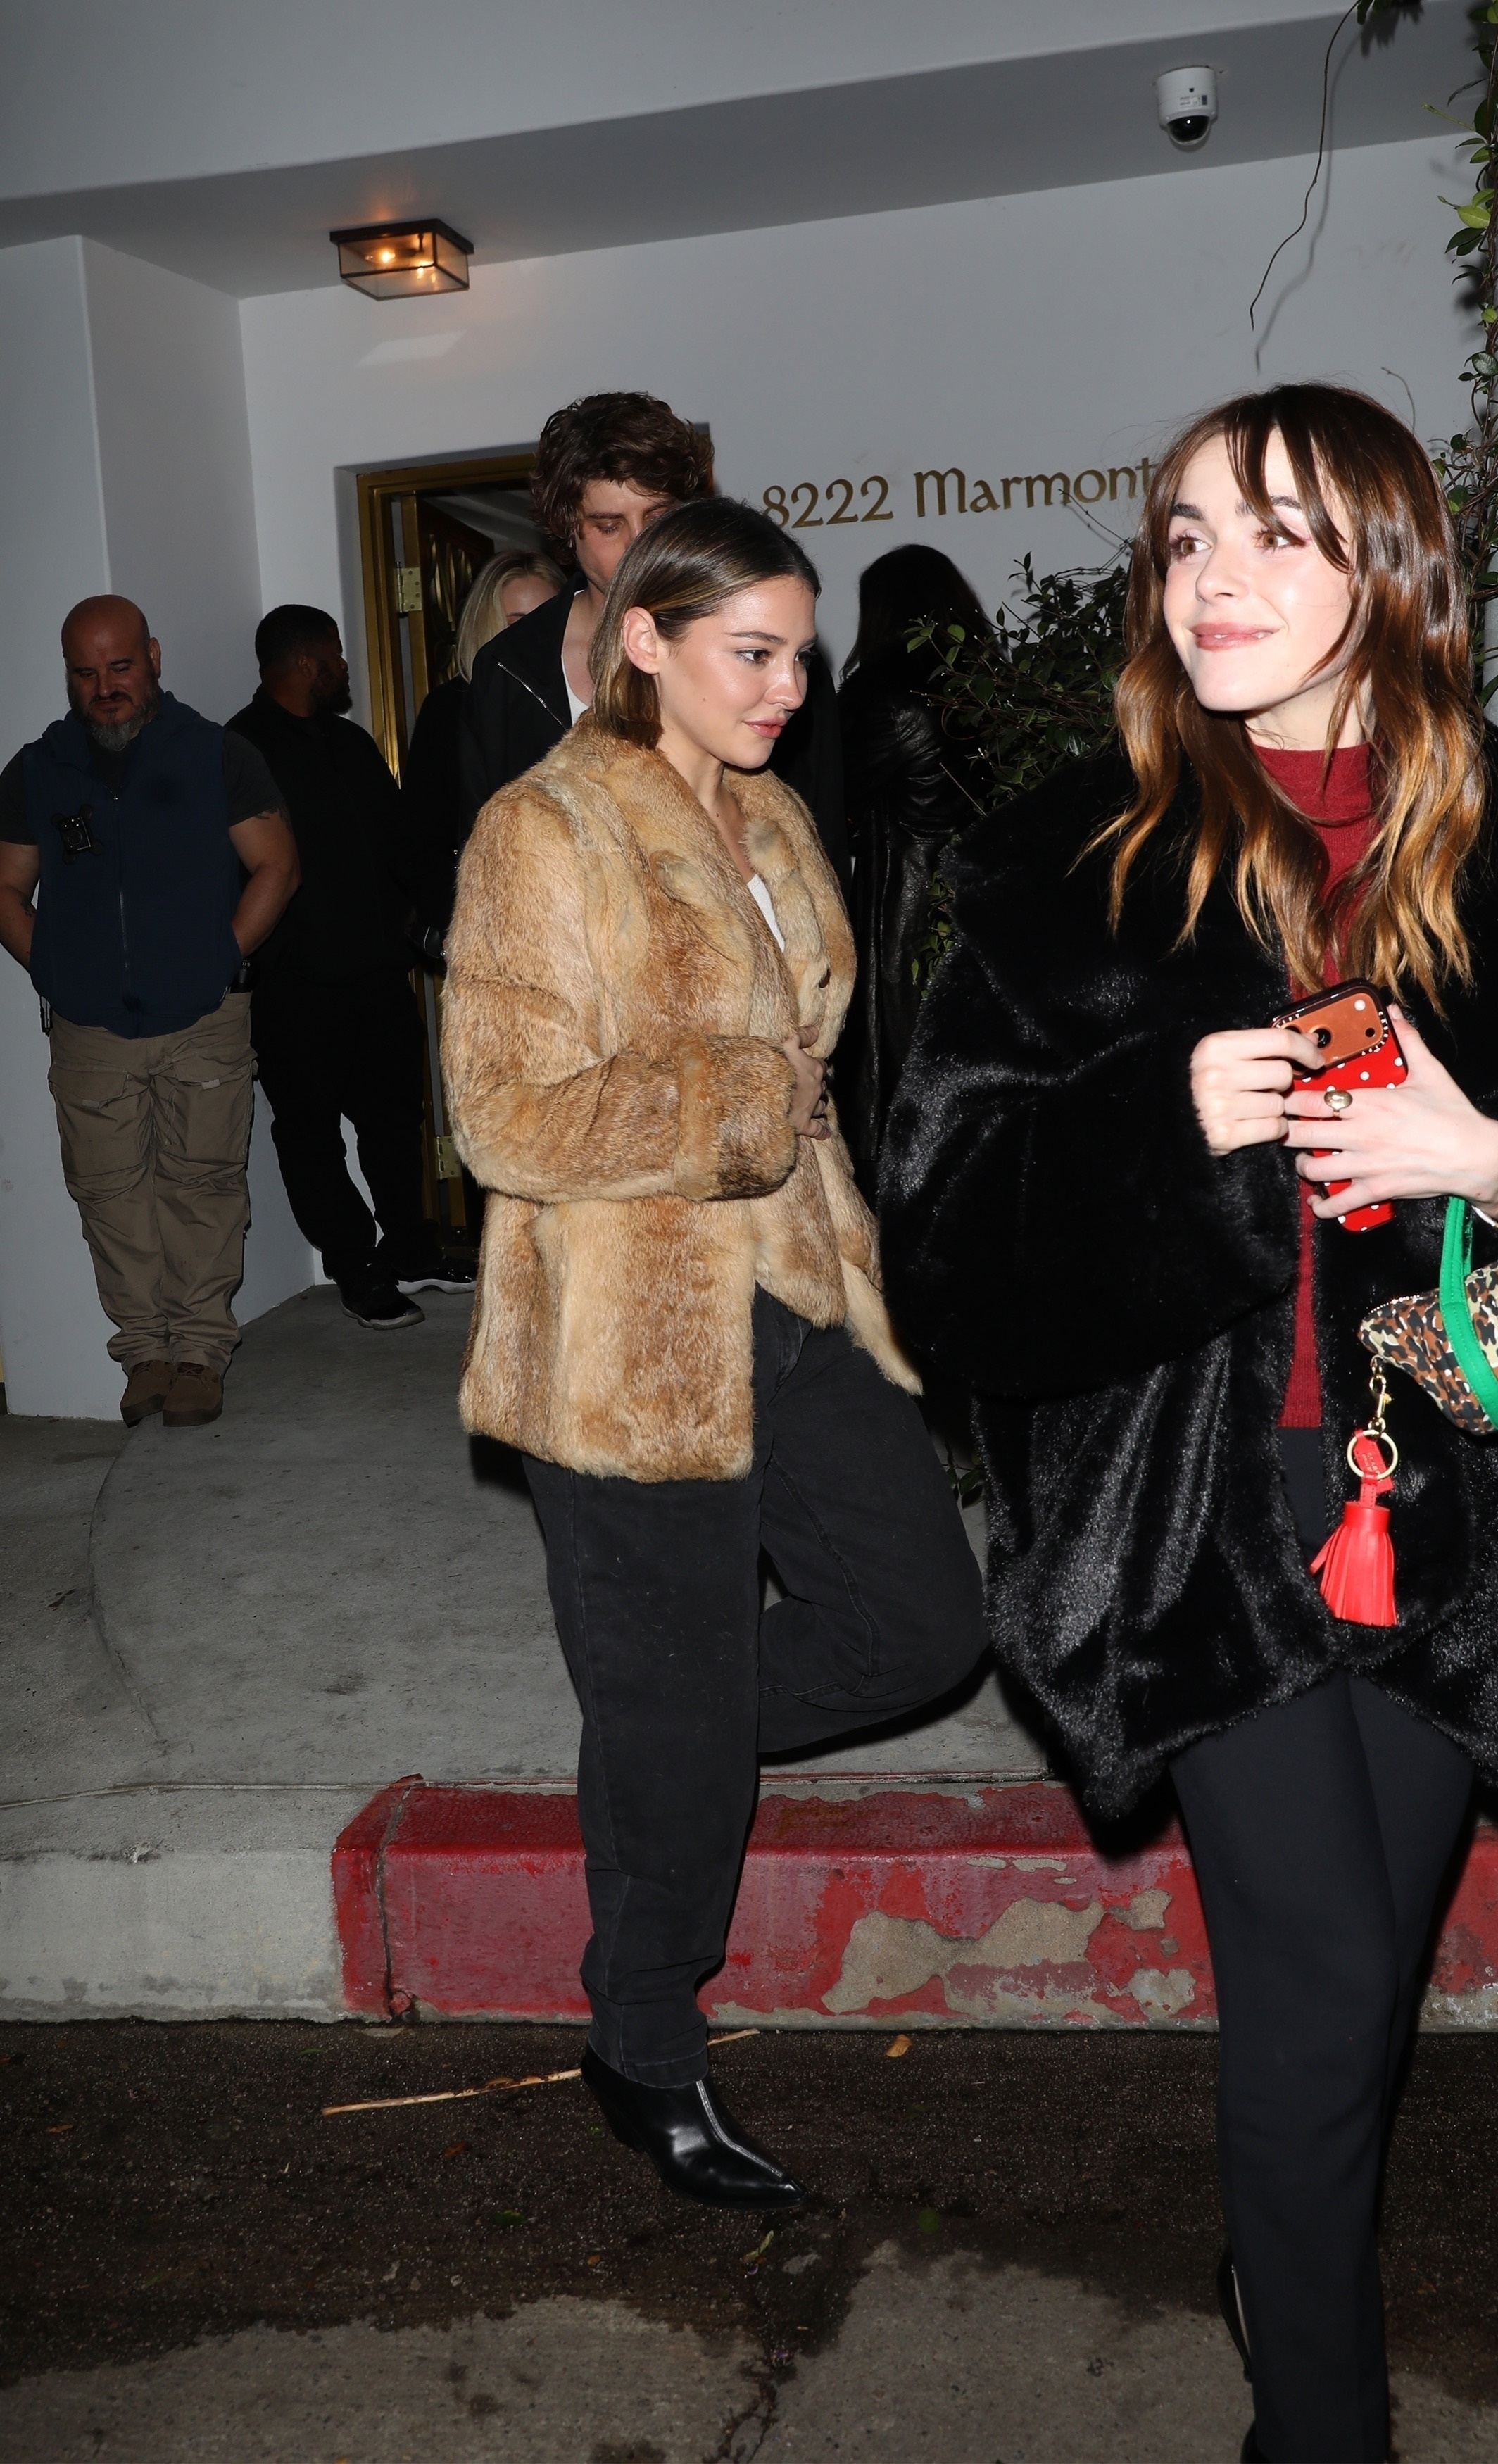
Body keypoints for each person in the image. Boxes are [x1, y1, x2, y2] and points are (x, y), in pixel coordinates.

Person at [878, 385, 1498, 2463]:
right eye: (1187, 535)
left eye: (1276, 533)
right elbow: (934, 1248)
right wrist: (1159, 1128)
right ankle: (1322, 2420)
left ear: (1389, 567)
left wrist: (1496, 1163)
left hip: (1460, 1503)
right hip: (1192, 1516)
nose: (1212, 577)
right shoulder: (1066, 869)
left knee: (1363, 1981)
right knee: (1314, 1983)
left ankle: (1276, 2259)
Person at [443, 499, 988, 2209]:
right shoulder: (543, 829)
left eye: (798, 654)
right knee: (671, 1719)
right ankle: (642, 2047)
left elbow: (821, 1067)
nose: (786, 686)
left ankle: (659, 1725)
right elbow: (500, 1115)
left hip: (796, 1290)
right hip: (625, 1340)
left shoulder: (773, 814)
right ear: (643, 642)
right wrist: (740, 1102)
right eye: (751, 652)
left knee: (922, 1623)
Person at [0, 596, 298, 1428]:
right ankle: (146, 1355)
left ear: (154, 657)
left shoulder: (217, 754)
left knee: (203, 1185)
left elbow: (277, 866)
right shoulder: (38, 770)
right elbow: (6, 888)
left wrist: (217, 958)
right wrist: (57, 969)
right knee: (110, 1194)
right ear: (69, 676)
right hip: (91, 1031)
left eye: (121, 665)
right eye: (86, 672)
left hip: (204, 1019)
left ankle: (199, 1352)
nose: (106, 686)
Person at [459, 391, 850, 881]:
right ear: (568, 529)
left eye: (658, 517)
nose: (637, 543)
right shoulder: (511, 667)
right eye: (609, 526)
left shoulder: (779, 659)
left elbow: (821, 846)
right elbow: (489, 856)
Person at [228, 606, 474, 1332]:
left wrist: (428, 925)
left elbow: (399, 845)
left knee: (397, 1122)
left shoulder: (351, 742)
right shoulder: (240, 749)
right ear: (308, 662)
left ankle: (411, 1249)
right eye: (336, 655)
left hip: (379, 976)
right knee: (310, 1135)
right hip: (295, 990)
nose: (344, 669)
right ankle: (355, 1265)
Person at [833, 546, 993, 1199]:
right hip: (979, 918)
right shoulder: (990, 689)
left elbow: (823, 803)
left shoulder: (882, 696)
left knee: (897, 1125)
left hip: (903, 922)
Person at [400, 548, 562, 950]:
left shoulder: (597, 701)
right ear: (486, 623)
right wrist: (467, 928)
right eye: (518, 621)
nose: (536, 633)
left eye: (549, 617)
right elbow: (421, 837)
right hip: (494, 928)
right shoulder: (450, 709)